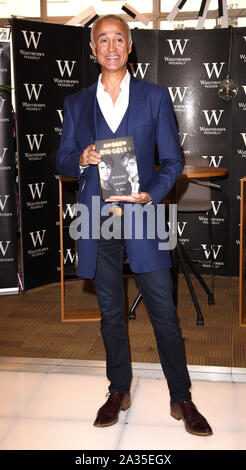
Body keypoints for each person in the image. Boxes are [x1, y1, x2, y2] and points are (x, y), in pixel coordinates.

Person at [56, 14, 212, 437]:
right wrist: (81, 159)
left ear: (130, 47)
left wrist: (151, 193)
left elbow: (174, 162)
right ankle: (118, 389)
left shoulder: (155, 97)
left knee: (163, 311)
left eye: (118, 39)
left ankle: (181, 396)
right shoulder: (75, 104)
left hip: (143, 214)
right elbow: (61, 161)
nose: (110, 46)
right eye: (102, 40)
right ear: (93, 49)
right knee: (110, 313)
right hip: (96, 218)